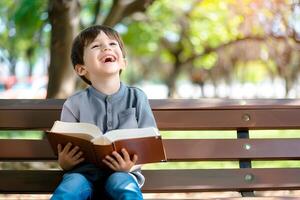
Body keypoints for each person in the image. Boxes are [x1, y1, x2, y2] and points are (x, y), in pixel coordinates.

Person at [51, 25, 157, 200]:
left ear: (124, 62)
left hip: (124, 174)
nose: (106, 47)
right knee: (70, 188)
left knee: (124, 185)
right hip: (82, 176)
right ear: (81, 69)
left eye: (112, 44)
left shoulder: (137, 97)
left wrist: (130, 166)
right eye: (95, 46)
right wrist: (64, 163)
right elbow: (64, 147)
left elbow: (151, 144)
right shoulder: (74, 103)